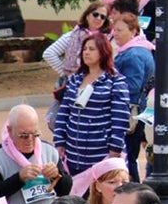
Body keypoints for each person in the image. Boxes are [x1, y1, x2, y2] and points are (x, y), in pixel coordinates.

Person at [53, 31, 129, 178]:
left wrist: (114, 150)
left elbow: (120, 120)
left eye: (92, 49)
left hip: (101, 154)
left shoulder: (115, 81)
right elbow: (64, 112)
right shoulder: (75, 80)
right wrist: (59, 141)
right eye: (85, 49)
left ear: (103, 52)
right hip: (74, 155)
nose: (86, 53)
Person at [112, 13, 155, 179]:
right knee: (130, 157)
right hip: (138, 111)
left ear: (133, 31)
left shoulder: (133, 54)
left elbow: (133, 86)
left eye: (120, 30)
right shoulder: (141, 49)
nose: (115, 34)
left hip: (130, 113)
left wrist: (110, 87)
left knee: (128, 157)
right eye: (114, 30)